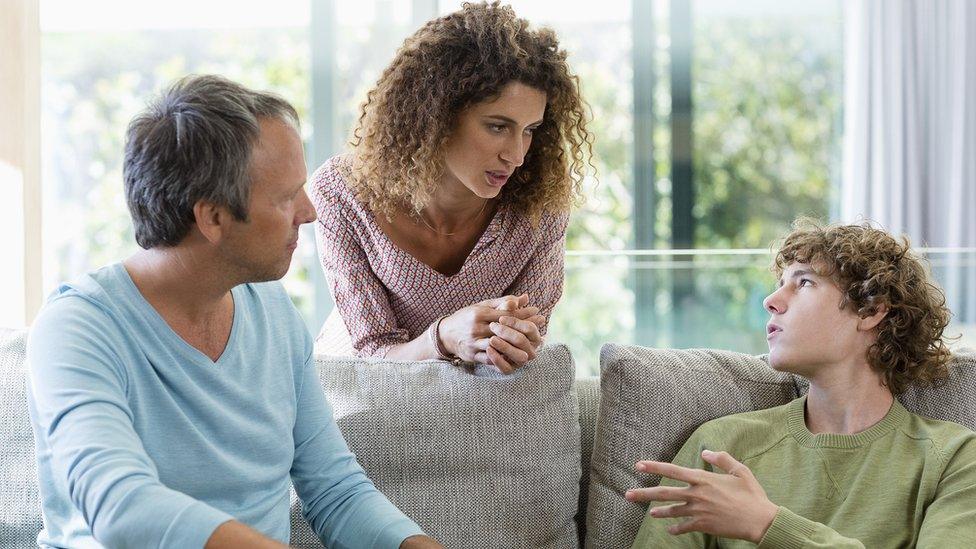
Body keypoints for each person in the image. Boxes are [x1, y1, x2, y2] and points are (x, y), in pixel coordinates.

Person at [26, 75, 442, 549]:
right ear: (213, 217)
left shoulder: (274, 314)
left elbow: (335, 490)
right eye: (286, 197)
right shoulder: (77, 328)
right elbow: (121, 506)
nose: (310, 212)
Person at [627, 219, 976, 548]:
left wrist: (767, 524)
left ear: (871, 310)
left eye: (804, 282)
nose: (771, 301)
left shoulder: (954, 458)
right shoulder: (719, 446)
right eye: (780, 285)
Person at [312, 1, 593, 372]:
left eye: (529, 131)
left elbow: (524, 344)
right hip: (361, 396)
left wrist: (516, 340)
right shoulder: (342, 193)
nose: (517, 155)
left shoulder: (539, 207)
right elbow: (372, 357)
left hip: (473, 396)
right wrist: (444, 337)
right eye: (497, 126)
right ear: (437, 117)